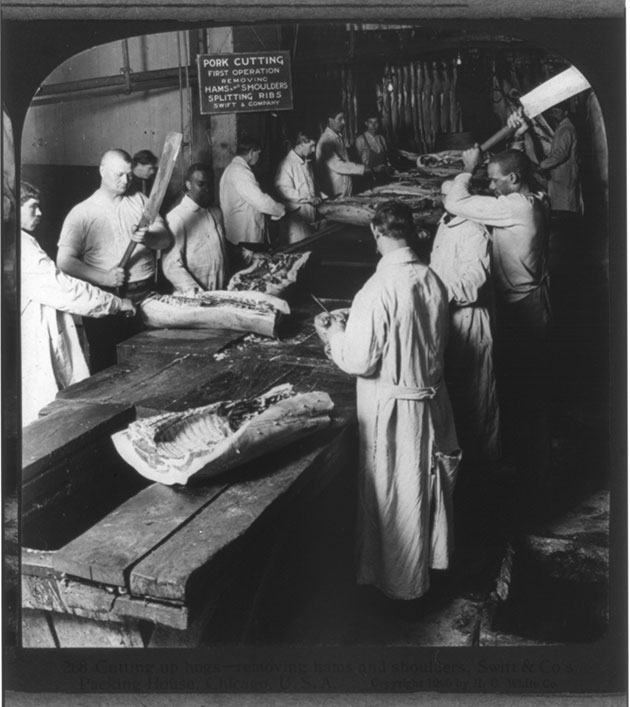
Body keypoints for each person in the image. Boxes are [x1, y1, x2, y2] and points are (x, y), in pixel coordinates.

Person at [314, 201, 461, 601]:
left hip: (395, 410)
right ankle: (428, 569)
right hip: (430, 401)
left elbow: (360, 360)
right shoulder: (431, 277)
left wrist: (333, 337)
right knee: (425, 491)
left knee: (397, 498)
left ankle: (401, 589)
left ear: (377, 234)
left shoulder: (376, 290)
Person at [443, 131, 551, 500]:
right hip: (528, 298)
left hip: (523, 306)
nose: (490, 185)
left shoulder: (517, 207)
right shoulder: (532, 196)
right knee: (524, 384)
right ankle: (528, 465)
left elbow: (458, 202)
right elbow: (505, 182)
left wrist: (467, 169)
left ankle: (532, 479)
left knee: (525, 388)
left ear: (514, 180)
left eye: (495, 179)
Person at [20, 181, 136, 425]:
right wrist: (116, 303)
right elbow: (66, 290)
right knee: (42, 417)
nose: (40, 213)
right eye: (33, 207)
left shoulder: (20, 241)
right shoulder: (20, 248)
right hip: (29, 340)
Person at [57, 148, 172, 373]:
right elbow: (64, 261)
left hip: (146, 294)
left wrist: (149, 236)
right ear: (102, 171)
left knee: (150, 365)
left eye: (129, 174)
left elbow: (165, 239)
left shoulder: (139, 200)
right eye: (118, 174)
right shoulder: (82, 213)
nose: (126, 180)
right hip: (107, 298)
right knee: (108, 367)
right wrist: (104, 277)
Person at [430, 180, 500, 461]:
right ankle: (461, 468)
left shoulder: (474, 231)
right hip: (448, 320)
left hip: (470, 320)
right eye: (443, 197)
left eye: (451, 198)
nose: (445, 202)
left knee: (477, 396)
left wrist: (433, 291)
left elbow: (474, 283)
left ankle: (484, 467)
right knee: (456, 399)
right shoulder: (445, 223)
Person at [162, 163, 229, 294]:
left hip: (219, 291)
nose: (207, 189)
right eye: (201, 184)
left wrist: (249, 255)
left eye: (210, 184)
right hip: (193, 296)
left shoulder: (215, 212)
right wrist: (197, 293)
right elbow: (171, 265)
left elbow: (222, 246)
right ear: (188, 185)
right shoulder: (177, 217)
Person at [219, 135, 285, 247]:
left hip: (239, 230)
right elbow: (260, 201)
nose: (259, 157)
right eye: (258, 154)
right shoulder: (240, 172)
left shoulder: (231, 169)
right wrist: (280, 210)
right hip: (245, 233)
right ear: (251, 153)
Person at [274, 132, 325, 244]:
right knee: (299, 248)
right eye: (311, 146)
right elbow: (283, 190)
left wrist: (323, 196)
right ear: (301, 144)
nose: (313, 149)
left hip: (309, 214)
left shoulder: (306, 161)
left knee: (310, 245)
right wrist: (308, 198)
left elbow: (311, 185)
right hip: (296, 218)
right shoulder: (287, 164)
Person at [315, 109, 370, 198]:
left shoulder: (338, 137)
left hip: (344, 189)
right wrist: (363, 169)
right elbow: (338, 165)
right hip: (334, 192)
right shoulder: (326, 140)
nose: (344, 122)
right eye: (340, 119)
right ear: (330, 121)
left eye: (344, 119)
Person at [354, 114, 391, 180]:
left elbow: (387, 158)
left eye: (376, 122)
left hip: (383, 177)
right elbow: (356, 163)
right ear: (366, 123)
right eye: (370, 122)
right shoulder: (360, 140)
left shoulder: (381, 138)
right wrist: (373, 169)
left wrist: (389, 167)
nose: (373, 125)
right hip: (367, 178)